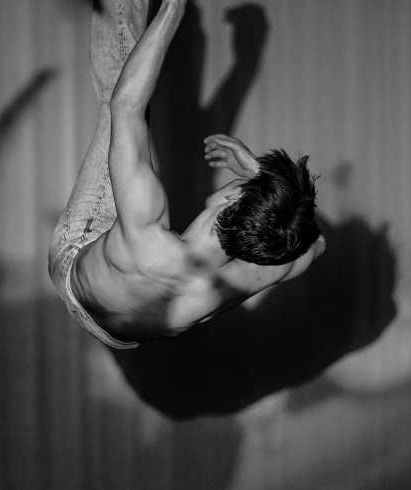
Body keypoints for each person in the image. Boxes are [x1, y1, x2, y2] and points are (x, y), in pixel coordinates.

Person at [49, 0, 325, 348]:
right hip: (117, 332)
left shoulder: (147, 233)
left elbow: (126, 105)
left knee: (118, 103)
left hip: (74, 262)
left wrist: (173, 9)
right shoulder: (241, 279)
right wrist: (265, 185)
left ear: (232, 196)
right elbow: (317, 244)